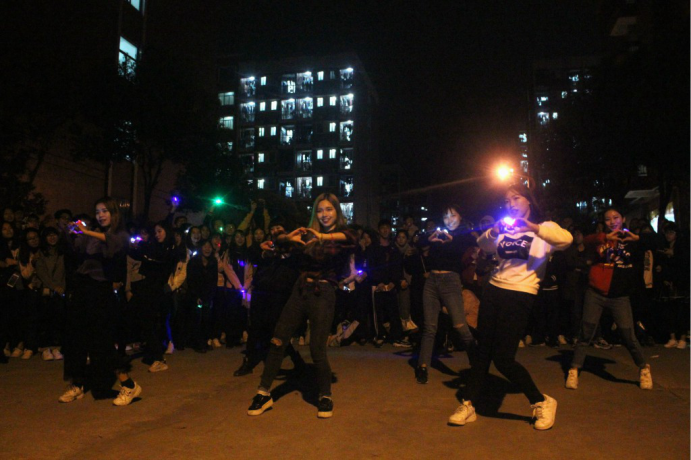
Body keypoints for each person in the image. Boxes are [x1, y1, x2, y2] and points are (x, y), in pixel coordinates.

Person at [450, 184, 572, 430]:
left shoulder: (544, 228)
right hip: (494, 290)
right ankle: (469, 403)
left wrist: (533, 228)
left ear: (529, 201)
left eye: (516, 198)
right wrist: (494, 231)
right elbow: (484, 244)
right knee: (482, 352)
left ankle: (541, 401)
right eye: (507, 201)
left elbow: (566, 240)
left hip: (521, 294)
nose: (511, 204)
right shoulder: (505, 228)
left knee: (503, 359)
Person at [247, 193, 356, 419]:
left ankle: (325, 395)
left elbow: (351, 238)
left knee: (316, 348)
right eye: (320, 210)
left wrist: (321, 237)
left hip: (323, 292)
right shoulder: (307, 234)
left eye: (329, 209)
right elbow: (279, 243)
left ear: (337, 211)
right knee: (278, 340)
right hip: (299, 290)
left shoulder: (341, 236)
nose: (324, 214)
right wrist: (285, 240)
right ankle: (263, 393)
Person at [60, 197, 141, 406]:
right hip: (82, 289)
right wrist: (72, 232)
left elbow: (113, 244)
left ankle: (128, 384)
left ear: (114, 213)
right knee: (76, 339)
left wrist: (86, 232)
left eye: (105, 211)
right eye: (97, 212)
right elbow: (77, 250)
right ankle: (78, 383)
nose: (101, 215)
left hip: (100, 292)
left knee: (102, 341)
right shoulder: (93, 234)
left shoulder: (120, 234)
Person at [565, 207, 653, 391]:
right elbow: (586, 240)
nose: (612, 221)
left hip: (619, 296)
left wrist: (637, 238)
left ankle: (644, 368)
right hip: (596, 293)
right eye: (608, 219)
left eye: (616, 217)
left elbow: (657, 242)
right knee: (586, 332)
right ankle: (574, 369)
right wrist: (605, 237)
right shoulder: (600, 239)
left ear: (623, 218)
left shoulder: (631, 240)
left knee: (628, 335)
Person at [415, 204, 478, 384]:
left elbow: (465, 246)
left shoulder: (463, 235)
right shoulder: (438, 235)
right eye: (446, 217)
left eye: (453, 215)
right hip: (432, 282)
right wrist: (429, 239)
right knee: (429, 328)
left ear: (460, 217)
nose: (449, 220)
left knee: (460, 325)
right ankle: (422, 366)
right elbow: (418, 242)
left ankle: (477, 364)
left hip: (451, 282)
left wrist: (451, 240)